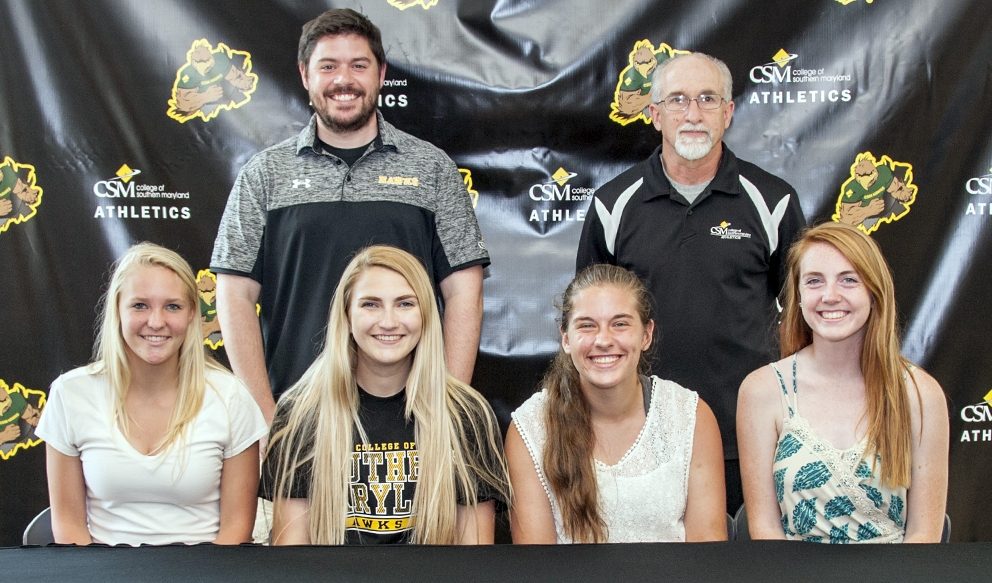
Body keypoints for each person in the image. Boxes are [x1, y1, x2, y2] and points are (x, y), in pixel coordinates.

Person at [211, 8, 488, 425]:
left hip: (410, 423)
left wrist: (444, 410)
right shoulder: (264, 175)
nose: (344, 80)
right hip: (301, 420)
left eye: (359, 65)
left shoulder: (431, 168)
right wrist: (265, 418)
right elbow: (233, 297)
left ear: (381, 75)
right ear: (306, 76)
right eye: (329, 66)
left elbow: (465, 293)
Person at [577, 52, 806, 512]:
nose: (694, 114)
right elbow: (588, 321)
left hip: (749, 437)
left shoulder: (773, 201)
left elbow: (807, 318)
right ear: (655, 114)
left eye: (707, 99)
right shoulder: (612, 204)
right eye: (678, 100)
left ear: (729, 111)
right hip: (640, 436)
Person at [260, 246, 510, 545]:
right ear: (346, 315)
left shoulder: (467, 414)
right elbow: (292, 560)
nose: (389, 321)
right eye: (371, 304)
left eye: (405, 304)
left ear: (426, 315)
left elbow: (475, 563)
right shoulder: (299, 413)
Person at [36, 243, 267, 546]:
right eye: (140, 305)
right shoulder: (70, 394)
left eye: (172, 306)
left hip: (205, 575)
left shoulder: (230, 397)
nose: (156, 322)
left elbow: (236, 530)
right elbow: (67, 526)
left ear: (192, 314)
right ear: (117, 310)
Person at [737, 222, 948, 543]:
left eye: (848, 280)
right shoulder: (763, 390)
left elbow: (924, 536)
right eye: (814, 281)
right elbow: (766, 532)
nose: (830, 296)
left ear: (874, 292)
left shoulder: (920, 394)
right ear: (799, 295)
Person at [506, 264, 726, 543]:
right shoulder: (531, 428)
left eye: (620, 324)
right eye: (587, 326)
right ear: (566, 339)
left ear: (646, 335)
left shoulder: (690, 416)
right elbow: (536, 568)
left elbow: (706, 558)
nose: (603, 340)